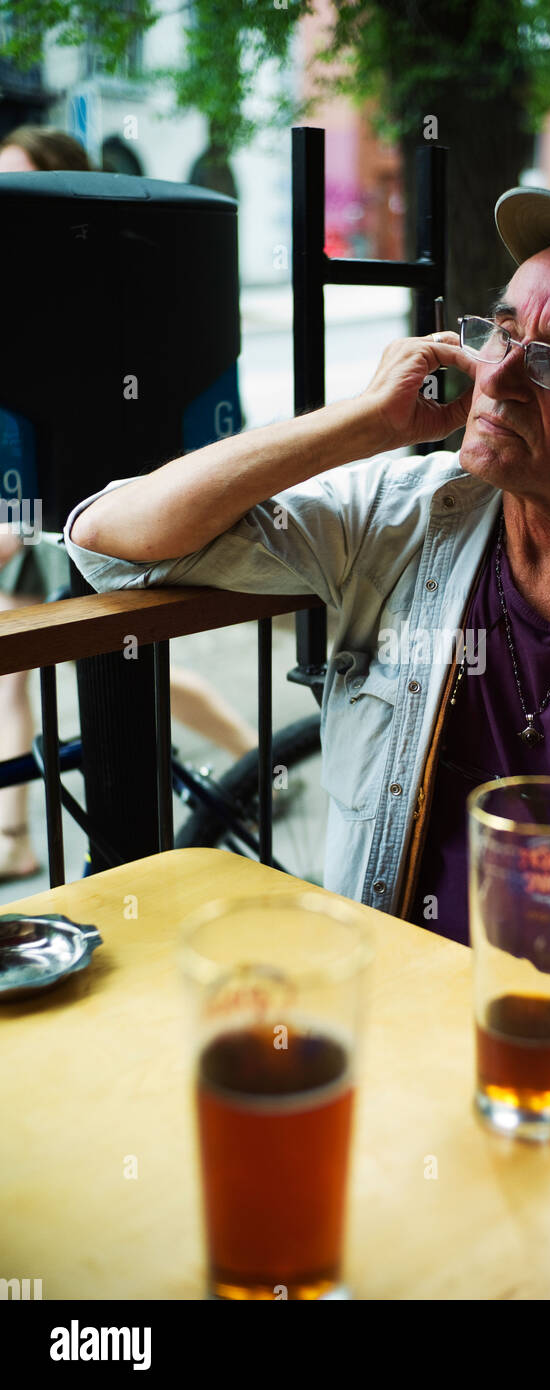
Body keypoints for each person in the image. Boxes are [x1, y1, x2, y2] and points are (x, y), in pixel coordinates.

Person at [63, 187, 550, 1087]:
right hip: (422, 1018)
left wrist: (513, 1054)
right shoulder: (406, 515)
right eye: (501, 333)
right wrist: (364, 422)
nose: (502, 377)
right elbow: (113, 545)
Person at [0, 125, 259, 879]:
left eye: (16, 178)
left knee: (129, 658)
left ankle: (252, 756)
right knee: (34, 666)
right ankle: (16, 834)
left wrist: (16, 519)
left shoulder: (79, 274)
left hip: (77, 521)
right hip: (46, 518)